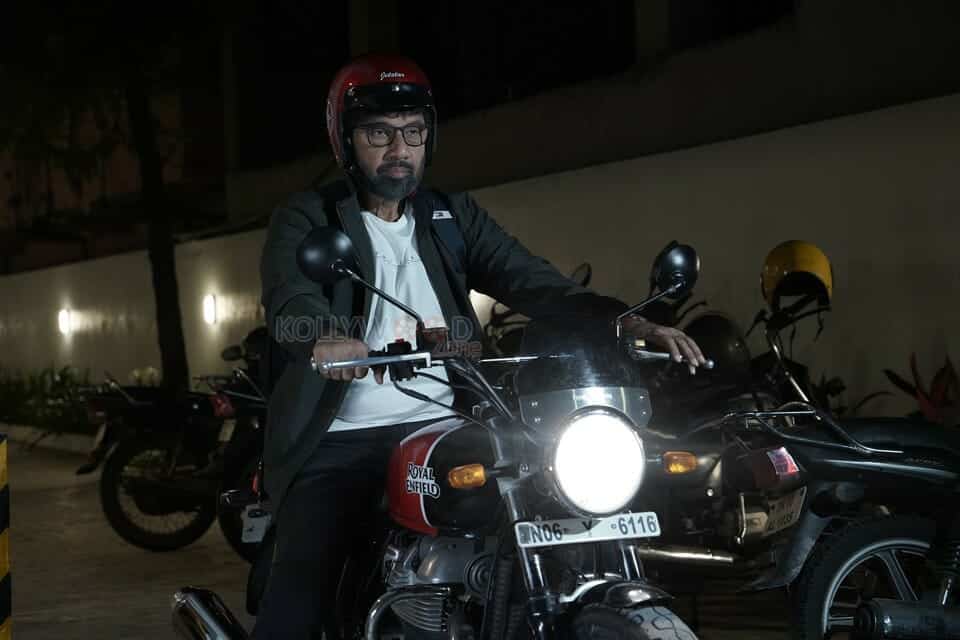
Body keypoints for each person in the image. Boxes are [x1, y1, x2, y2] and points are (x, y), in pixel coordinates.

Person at [254, 54, 707, 638]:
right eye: (379, 134)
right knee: (303, 586)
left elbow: (532, 279)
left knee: (550, 499)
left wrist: (625, 323)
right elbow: (290, 299)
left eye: (413, 132)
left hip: (446, 423)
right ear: (345, 140)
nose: (399, 149)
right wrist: (324, 337)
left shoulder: (449, 216)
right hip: (340, 438)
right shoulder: (307, 217)